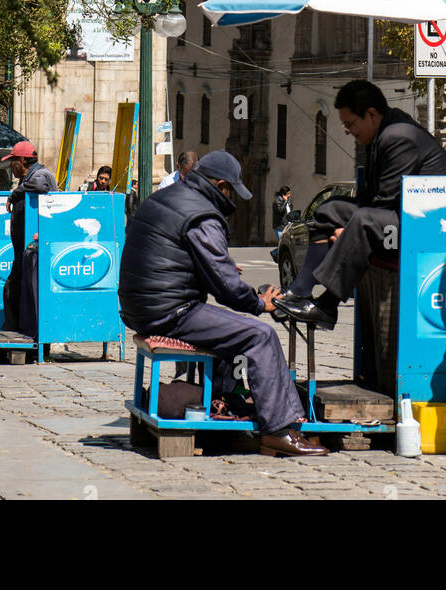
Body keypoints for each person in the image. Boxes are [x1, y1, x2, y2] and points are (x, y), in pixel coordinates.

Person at [118, 149, 326, 457]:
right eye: (231, 191)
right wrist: (260, 304)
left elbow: (191, 262)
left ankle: (228, 410)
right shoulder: (202, 213)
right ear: (220, 186)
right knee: (261, 335)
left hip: (140, 307)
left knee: (230, 331)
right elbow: (226, 286)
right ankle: (279, 430)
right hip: (170, 311)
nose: (232, 200)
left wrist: (235, 282)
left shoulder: (167, 197)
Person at [275, 79, 446, 329]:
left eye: (350, 124)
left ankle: (327, 305)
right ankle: (300, 291)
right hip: (399, 216)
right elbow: (370, 197)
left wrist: (348, 234)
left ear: (371, 114)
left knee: (362, 221)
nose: (348, 131)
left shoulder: (398, 136)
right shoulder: (382, 131)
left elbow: (382, 203)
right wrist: (342, 224)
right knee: (328, 209)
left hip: (424, 226)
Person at [1, 141, 57, 332]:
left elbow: (41, 184)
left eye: (13, 161)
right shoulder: (26, 179)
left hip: (36, 252)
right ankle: (15, 330)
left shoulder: (41, 174)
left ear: (24, 161)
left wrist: (14, 195)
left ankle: (19, 332)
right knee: (13, 289)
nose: (11, 166)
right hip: (22, 251)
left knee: (13, 290)